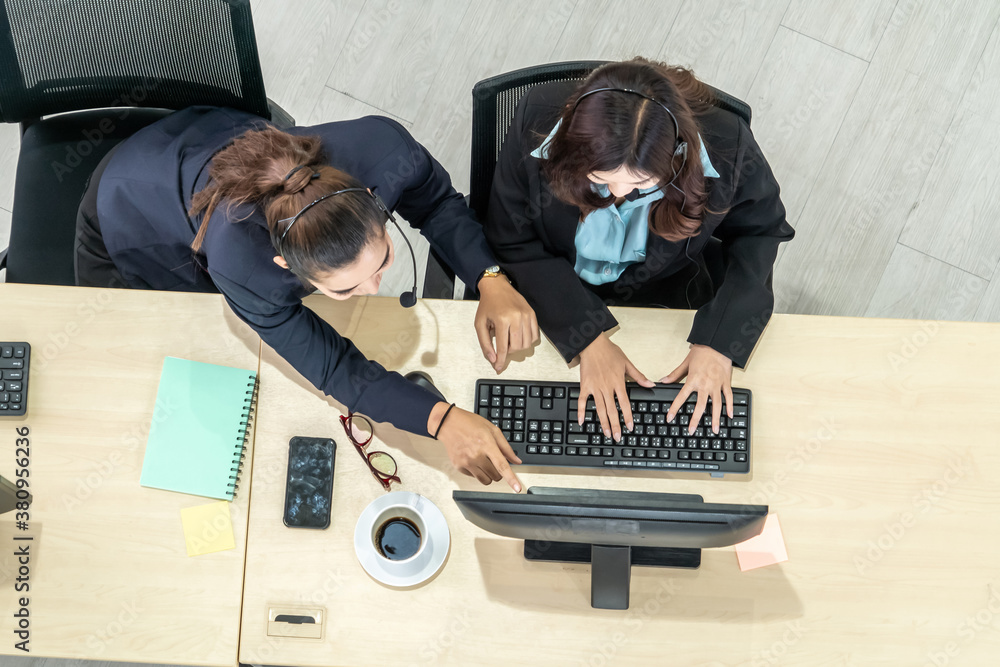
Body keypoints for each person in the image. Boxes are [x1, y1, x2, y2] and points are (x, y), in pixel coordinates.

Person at [75, 106, 539, 491]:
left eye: (381, 263)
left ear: (376, 203)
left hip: (210, 134)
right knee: (166, 354)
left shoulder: (386, 151)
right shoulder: (244, 267)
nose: (374, 290)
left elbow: (436, 203)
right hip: (133, 206)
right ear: (286, 268)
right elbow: (335, 367)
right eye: (344, 289)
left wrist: (490, 277)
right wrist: (440, 421)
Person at [485, 57, 794, 441]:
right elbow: (510, 237)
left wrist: (720, 341)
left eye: (642, 181)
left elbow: (760, 231)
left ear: (677, 155)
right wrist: (587, 338)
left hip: (667, 297)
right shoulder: (536, 116)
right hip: (553, 290)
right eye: (600, 177)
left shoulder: (728, 143)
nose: (617, 193)